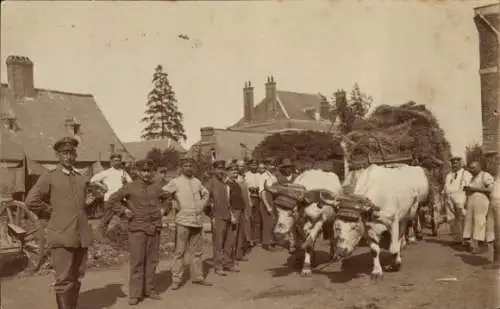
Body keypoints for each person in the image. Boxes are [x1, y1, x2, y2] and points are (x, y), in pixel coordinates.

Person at [25, 137, 98, 309]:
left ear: (75, 155)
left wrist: (90, 201)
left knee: (77, 274)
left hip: (81, 235)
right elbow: (30, 201)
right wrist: (51, 211)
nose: (68, 157)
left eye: (71, 153)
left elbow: (80, 204)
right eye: (64, 153)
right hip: (61, 233)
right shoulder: (49, 177)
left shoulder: (81, 178)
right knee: (63, 277)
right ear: (58, 155)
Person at [106, 159, 168, 305]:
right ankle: (135, 293)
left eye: (148, 171)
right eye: (143, 171)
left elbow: (167, 200)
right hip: (137, 228)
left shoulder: (157, 187)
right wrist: (123, 210)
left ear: (152, 172)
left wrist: (164, 209)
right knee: (137, 261)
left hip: (154, 227)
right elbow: (111, 201)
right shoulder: (130, 187)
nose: (146, 174)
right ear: (137, 172)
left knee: (152, 260)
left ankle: (149, 289)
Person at [162, 156, 212, 289]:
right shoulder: (176, 182)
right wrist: (173, 202)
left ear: (194, 168)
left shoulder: (197, 182)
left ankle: (198, 277)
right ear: (181, 168)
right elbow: (163, 193)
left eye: (191, 166)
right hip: (183, 221)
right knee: (180, 252)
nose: (188, 168)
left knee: (197, 252)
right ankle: (176, 280)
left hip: (197, 221)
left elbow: (206, 194)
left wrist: (201, 205)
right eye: (186, 166)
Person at [205, 160, 240, 276]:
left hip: (227, 215)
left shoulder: (225, 183)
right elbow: (204, 200)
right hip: (217, 217)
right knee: (218, 243)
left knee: (228, 242)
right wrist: (211, 215)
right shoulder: (210, 183)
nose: (221, 171)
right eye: (219, 169)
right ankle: (218, 266)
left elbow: (228, 201)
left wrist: (231, 214)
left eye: (223, 169)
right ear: (214, 170)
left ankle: (228, 263)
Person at [92, 153, 133, 236]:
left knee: (126, 217)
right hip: (110, 200)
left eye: (119, 160)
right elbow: (92, 180)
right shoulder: (106, 172)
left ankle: (123, 236)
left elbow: (131, 183)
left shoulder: (124, 173)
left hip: (121, 199)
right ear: (111, 162)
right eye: (115, 160)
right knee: (106, 220)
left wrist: (125, 182)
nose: (117, 162)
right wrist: (102, 186)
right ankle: (98, 237)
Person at [463, 160, 495, 254]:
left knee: (480, 222)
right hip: (472, 202)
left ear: (479, 167)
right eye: (470, 168)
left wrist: (474, 189)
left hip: (482, 202)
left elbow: (490, 189)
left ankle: (480, 245)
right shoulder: (472, 178)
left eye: (473, 168)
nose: (471, 170)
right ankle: (474, 245)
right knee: (471, 223)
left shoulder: (485, 175)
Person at [443, 156, 472, 245]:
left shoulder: (465, 173)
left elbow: (469, 187)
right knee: (452, 219)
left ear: (460, 163)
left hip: (461, 198)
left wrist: (467, 199)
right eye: (453, 163)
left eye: (456, 163)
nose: (454, 164)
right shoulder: (449, 175)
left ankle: (467, 239)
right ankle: (458, 238)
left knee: (463, 218)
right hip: (449, 198)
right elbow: (446, 186)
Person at [233, 160, 252, 260]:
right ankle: (234, 254)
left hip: (245, 205)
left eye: (242, 166)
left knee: (244, 228)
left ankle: (241, 251)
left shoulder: (243, 178)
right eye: (238, 167)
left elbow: (246, 192)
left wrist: (249, 201)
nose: (240, 168)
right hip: (236, 207)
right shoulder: (231, 180)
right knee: (235, 231)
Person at [258, 159, 278, 251]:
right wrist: (267, 206)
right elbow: (262, 192)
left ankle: (272, 241)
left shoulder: (273, 176)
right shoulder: (263, 176)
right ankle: (266, 244)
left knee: (273, 222)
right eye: (269, 165)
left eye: (273, 164)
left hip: (273, 199)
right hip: (266, 199)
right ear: (266, 166)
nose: (272, 166)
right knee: (267, 223)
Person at [484, 171, 500, 269]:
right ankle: (496, 259)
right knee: (492, 232)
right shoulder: (495, 174)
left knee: (498, 232)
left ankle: (497, 261)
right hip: (493, 202)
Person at [245, 159, 261, 246]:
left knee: (257, 219)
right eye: (252, 165)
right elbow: (244, 187)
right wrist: (250, 188)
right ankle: (249, 238)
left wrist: (258, 188)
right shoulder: (246, 175)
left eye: (255, 165)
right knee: (250, 218)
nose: (254, 167)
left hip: (258, 198)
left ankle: (256, 238)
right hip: (250, 198)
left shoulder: (259, 175)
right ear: (249, 166)